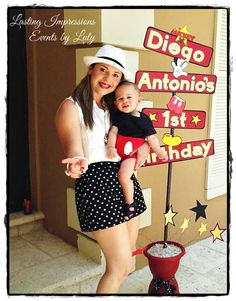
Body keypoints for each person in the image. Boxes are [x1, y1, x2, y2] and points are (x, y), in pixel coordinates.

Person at [55, 45, 150, 294]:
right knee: (118, 268)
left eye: (116, 74)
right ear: (91, 70)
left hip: (124, 179)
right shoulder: (71, 106)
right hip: (97, 184)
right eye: (103, 70)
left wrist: (144, 150)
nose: (108, 79)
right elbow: (73, 147)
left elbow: (140, 135)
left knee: (126, 263)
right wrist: (76, 162)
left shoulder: (115, 108)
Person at [107, 81, 168, 220]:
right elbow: (113, 133)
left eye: (129, 97)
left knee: (123, 176)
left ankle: (130, 204)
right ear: (116, 103)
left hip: (131, 156)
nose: (125, 101)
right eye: (120, 98)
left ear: (138, 100)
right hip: (117, 154)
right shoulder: (118, 116)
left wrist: (158, 151)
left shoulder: (143, 120)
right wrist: (110, 146)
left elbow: (151, 138)